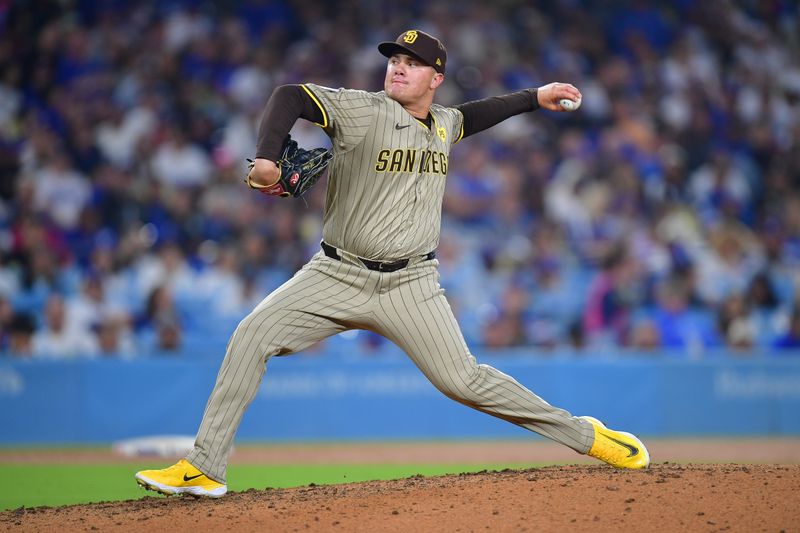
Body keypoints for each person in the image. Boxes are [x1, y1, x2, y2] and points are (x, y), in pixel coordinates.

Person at [135, 30, 650, 498]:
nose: (399, 68)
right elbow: (288, 96)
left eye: (414, 62)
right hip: (336, 273)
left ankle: (587, 435)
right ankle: (205, 467)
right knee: (250, 337)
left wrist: (534, 98)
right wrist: (267, 156)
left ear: (436, 78)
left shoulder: (445, 123)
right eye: (394, 59)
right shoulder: (362, 111)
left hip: (412, 283)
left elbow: (479, 113)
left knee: (464, 382)